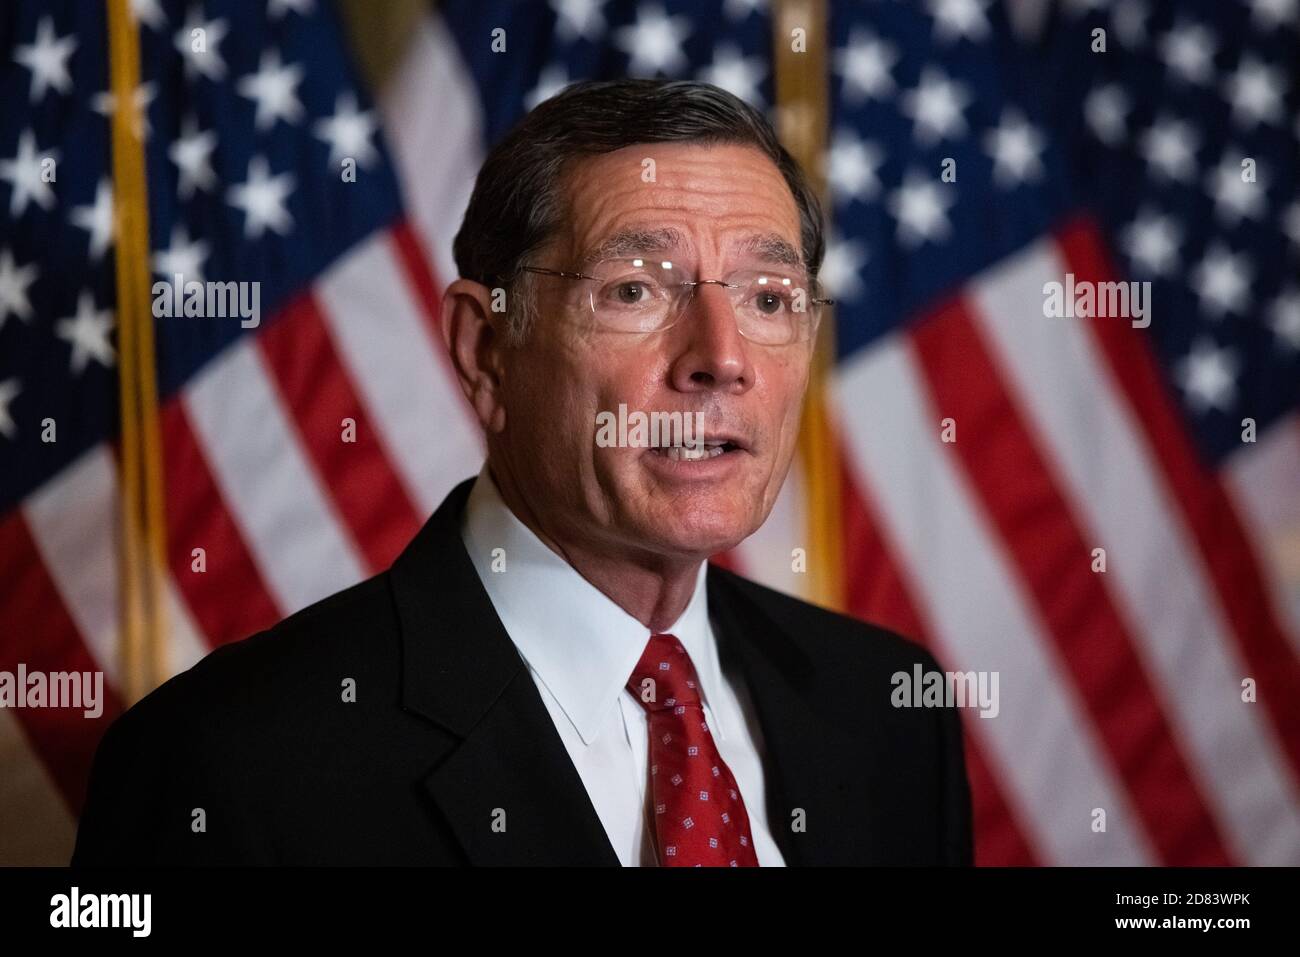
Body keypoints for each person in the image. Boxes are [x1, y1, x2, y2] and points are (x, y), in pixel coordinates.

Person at [72, 79, 973, 866]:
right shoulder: (232, 765)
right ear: (487, 350)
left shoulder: (888, 710)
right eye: (636, 290)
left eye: (769, 299)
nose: (722, 357)